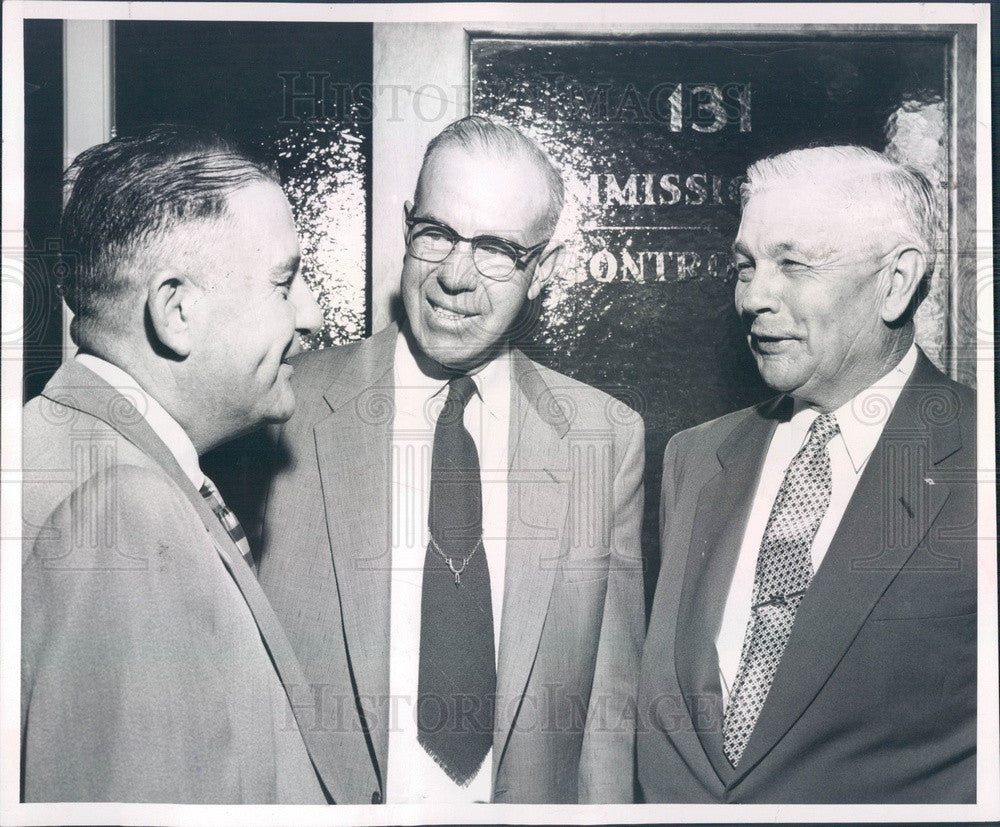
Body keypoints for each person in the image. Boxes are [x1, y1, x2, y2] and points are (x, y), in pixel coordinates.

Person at [254, 116, 645, 804]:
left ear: (545, 270)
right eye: (436, 234)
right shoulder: (284, 410)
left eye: (496, 249)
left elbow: (608, 717)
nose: (454, 277)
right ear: (408, 228)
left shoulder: (602, 436)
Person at [637, 146, 976, 803]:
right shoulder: (696, 457)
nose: (755, 297)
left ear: (896, 280)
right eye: (746, 267)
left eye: (792, 263)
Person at [20, 126, 342, 803]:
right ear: (177, 310)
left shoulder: (65, 449)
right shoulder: (124, 517)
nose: (310, 315)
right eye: (285, 282)